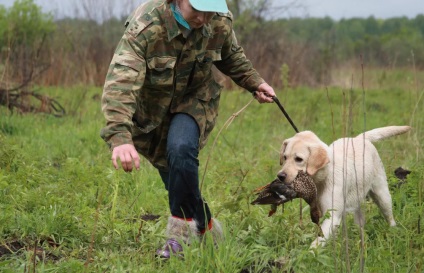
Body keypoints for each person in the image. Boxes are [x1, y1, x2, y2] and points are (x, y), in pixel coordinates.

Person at [100, 0, 276, 259]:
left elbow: (230, 55)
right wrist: (120, 136)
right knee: (175, 175)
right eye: (198, 10)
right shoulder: (147, 25)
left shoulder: (218, 19)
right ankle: (207, 229)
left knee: (181, 149)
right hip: (153, 109)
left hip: (195, 98)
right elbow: (121, 81)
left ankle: (178, 240)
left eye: (209, 11)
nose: (204, 19)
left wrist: (255, 83)